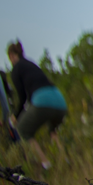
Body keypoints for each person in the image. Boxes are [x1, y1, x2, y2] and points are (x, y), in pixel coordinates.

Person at [6, 40, 68, 170]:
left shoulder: (16, 69)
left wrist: (16, 116)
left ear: (11, 55)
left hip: (43, 101)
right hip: (60, 100)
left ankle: (47, 165)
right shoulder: (31, 64)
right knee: (53, 130)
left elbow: (23, 98)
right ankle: (65, 160)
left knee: (23, 129)